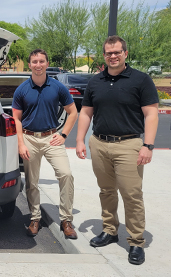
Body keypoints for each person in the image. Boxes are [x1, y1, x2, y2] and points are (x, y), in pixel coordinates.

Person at [76, 35, 159, 265]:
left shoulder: (140, 80)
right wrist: (80, 140)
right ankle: (110, 230)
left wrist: (147, 145)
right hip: (99, 143)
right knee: (106, 190)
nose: (113, 56)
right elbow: (85, 112)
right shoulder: (95, 82)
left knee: (131, 195)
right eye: (109, 53)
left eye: (117, 52)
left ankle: (136, 241)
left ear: (125, 54)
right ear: (104, 55)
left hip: (129, 145)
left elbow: (151, 114)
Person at [12, 49, 78, 239]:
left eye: (41, 61)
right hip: (29, 139)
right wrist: (20, 144)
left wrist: (63, 134)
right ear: (30, 64)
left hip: (52, 138)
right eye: (34, 62)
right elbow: (16, 118)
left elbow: (73, 112)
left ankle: (66, 220)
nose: (38, 65)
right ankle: (35, 218)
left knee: (66, 174)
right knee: (32, 181)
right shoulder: (22, 89)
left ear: (47, 63)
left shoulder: (58, 87)